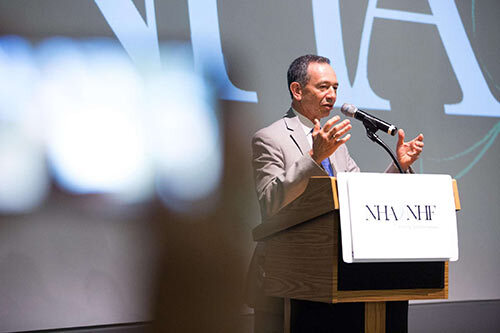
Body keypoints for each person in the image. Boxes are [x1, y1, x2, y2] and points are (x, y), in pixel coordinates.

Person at [248, 54, 424, 332]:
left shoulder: (336, 145)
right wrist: (314, 159)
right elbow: (270, 203)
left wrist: (398, 165)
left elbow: (360, 196)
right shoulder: (270, 138)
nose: (332, 95)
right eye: (323, 87)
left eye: (335, 88)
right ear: (296, 90)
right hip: (286, 279)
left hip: (337, 279)